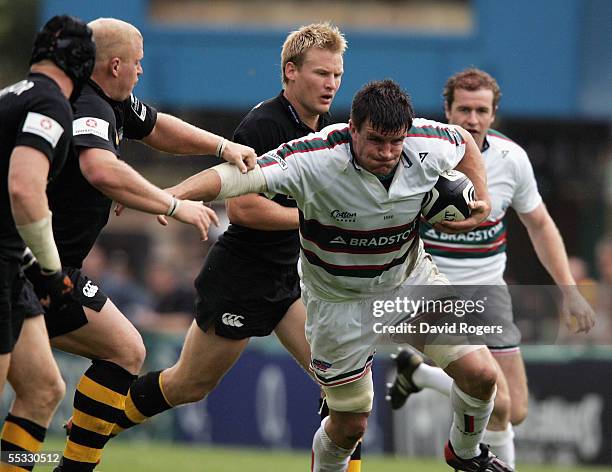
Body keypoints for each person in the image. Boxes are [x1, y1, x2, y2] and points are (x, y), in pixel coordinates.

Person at [113, 79, 517, 472]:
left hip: (410, 283)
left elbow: (465, 143)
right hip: (337, 303)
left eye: (396, 142)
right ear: (352, 128)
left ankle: (464, 454)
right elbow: (237, 179)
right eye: (376, 140)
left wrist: (479, 200)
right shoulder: (315, 156)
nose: (387, 152)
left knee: (481, 376)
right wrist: (169, 196)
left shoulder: (426, 140)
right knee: (349, 425)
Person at [109, 21, 358, 466]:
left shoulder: (329, 132)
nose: (331, 84)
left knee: (346, 392)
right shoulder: (263, 125)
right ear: (290, 71)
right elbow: (243, 210)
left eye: (337, 75)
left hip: (292, 281)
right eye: (322, 73)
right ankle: (96, 422)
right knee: (188, 385)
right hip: (241, 278)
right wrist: (315, 222)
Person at [23, 17, 256, 472]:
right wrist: (171, 204)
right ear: (114, 65)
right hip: (34, 264)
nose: (141, 71)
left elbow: (157, 127)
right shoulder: (89, 105)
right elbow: (101, 170)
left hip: (40, 264)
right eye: (138, 63)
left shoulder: (110, 101)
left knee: (42, 389)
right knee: (121, 351)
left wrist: (222, 146)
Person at [386, 68, 595, 468]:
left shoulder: (511, 158)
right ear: (447, 109)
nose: (472, 119)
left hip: (489, 292)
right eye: (464, 109)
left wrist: (569, 290)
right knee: (496, 402)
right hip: (434, 291)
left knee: (514, 410)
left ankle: (419, 375)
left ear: (494, 114)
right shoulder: (416, 154)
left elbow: (540, 224)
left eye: (482, 110)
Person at [0, 15, 96, 470]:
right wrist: (52, 268)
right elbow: (24, 187)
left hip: (10, 267)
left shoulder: (10, 96)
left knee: (42, 388)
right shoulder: (52, 103)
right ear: (82, 64)